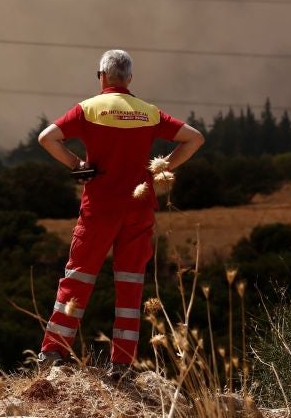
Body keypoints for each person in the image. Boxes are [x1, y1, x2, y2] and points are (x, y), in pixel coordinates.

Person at [36, 49, 204, 376]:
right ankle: (122, 364)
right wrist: (161, 168)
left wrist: (77, 165)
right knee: (130, 285)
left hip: (98, 209)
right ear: (129, 79)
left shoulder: (88, 109)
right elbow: (194, 139)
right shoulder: (148, 112)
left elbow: (47, 138)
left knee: (78, 279)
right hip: (139, 211)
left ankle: (53, 354)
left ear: (101, 76)